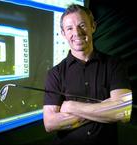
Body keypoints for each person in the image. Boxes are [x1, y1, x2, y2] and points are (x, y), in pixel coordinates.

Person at [43, 4, 132, 145]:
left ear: (93, 27)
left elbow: (123, 112)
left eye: (82, 25)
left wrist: (71, 106)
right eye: (69, 28)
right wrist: (106, 107)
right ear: (63, 33)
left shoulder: (115, 65)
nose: (77, 33)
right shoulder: (55, 73)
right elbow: (50, 123)